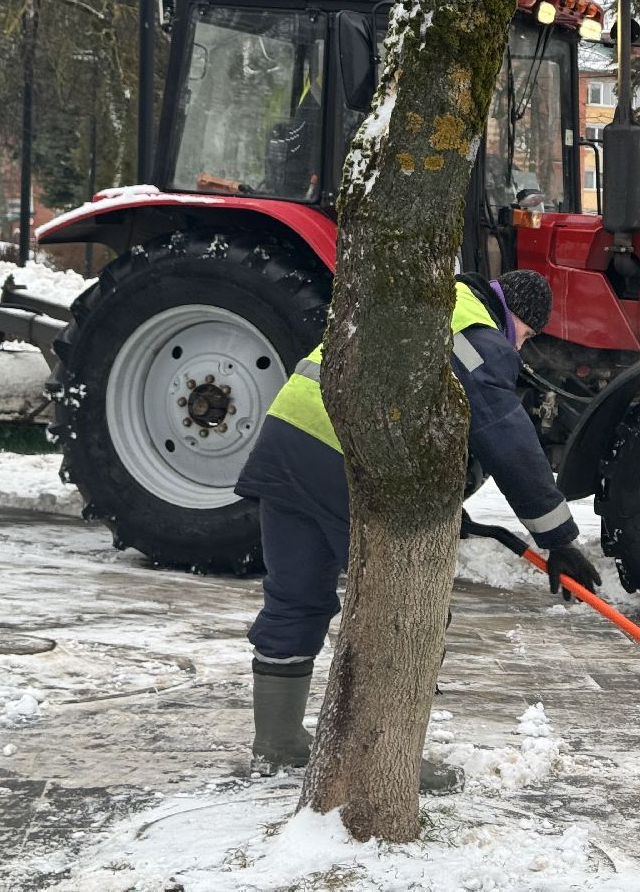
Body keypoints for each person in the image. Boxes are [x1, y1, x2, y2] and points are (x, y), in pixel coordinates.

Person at [236, 268, 602, 791]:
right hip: (343, 456)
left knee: (295, 596)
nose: (524, 345)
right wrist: (559, 538)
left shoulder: (421, 290)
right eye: (528, 334)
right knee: (410, 607)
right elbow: (505, 436)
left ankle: (276, 745)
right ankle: (384, 760)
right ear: (516, 315)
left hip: (288, 437)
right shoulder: (478, 334)